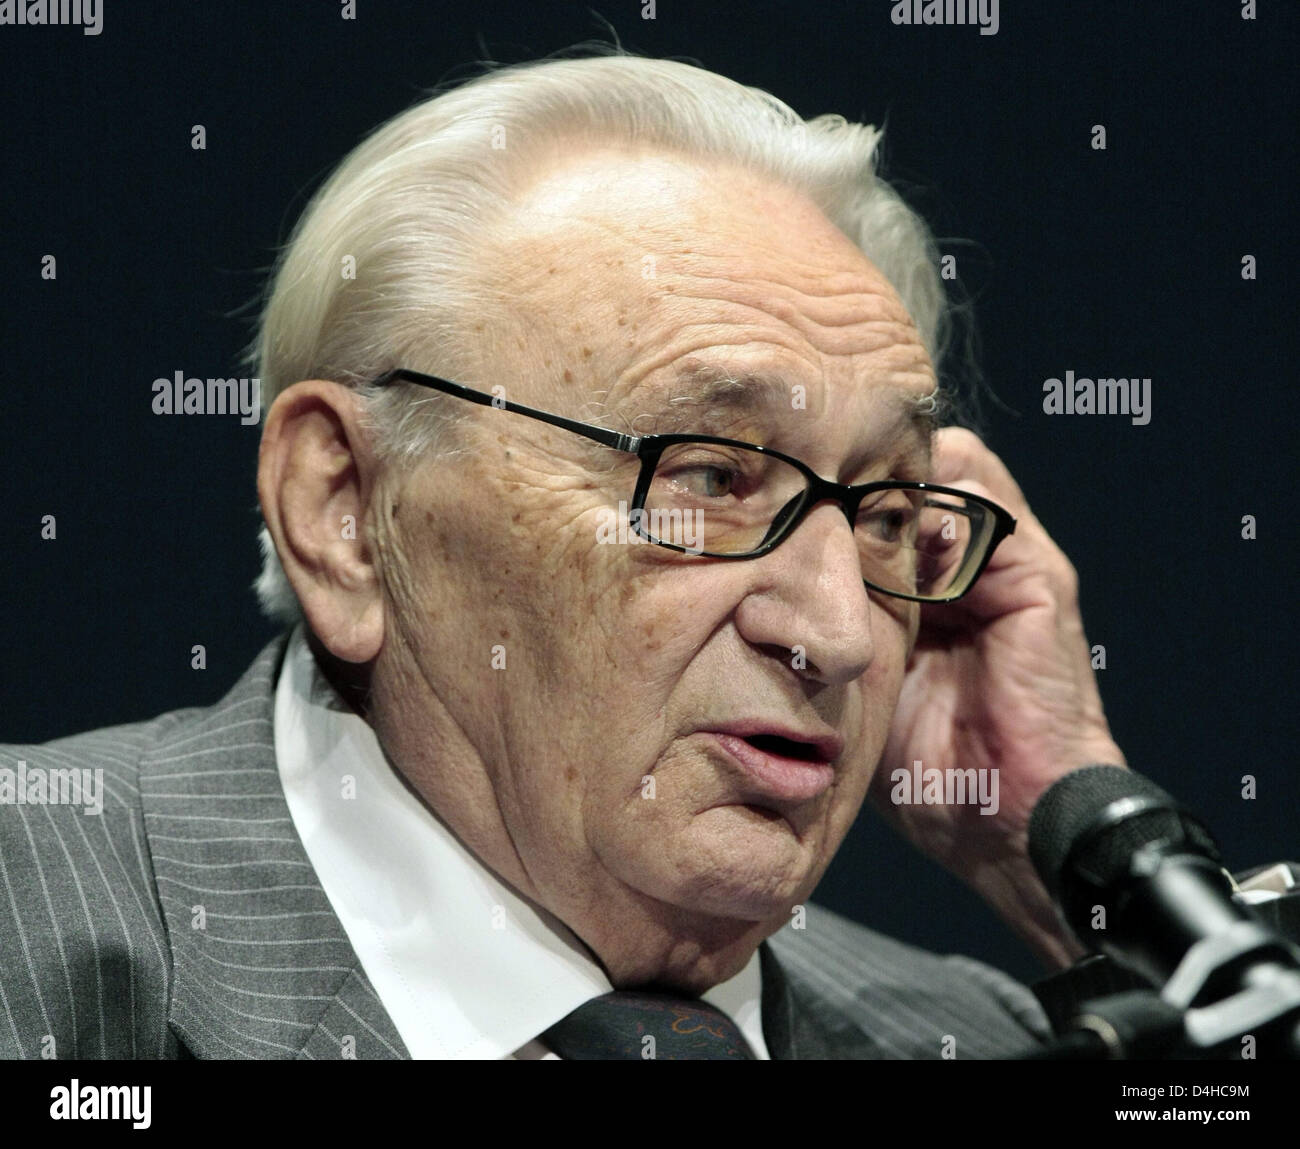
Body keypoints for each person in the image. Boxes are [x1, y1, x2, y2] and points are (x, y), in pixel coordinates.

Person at [0, 52, 1130, 1059]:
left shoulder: (971, 1031)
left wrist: (1083, 844)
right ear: (344, 511)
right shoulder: (30, 927)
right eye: (711, 479)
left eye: (883, 512)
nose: (836, 632)